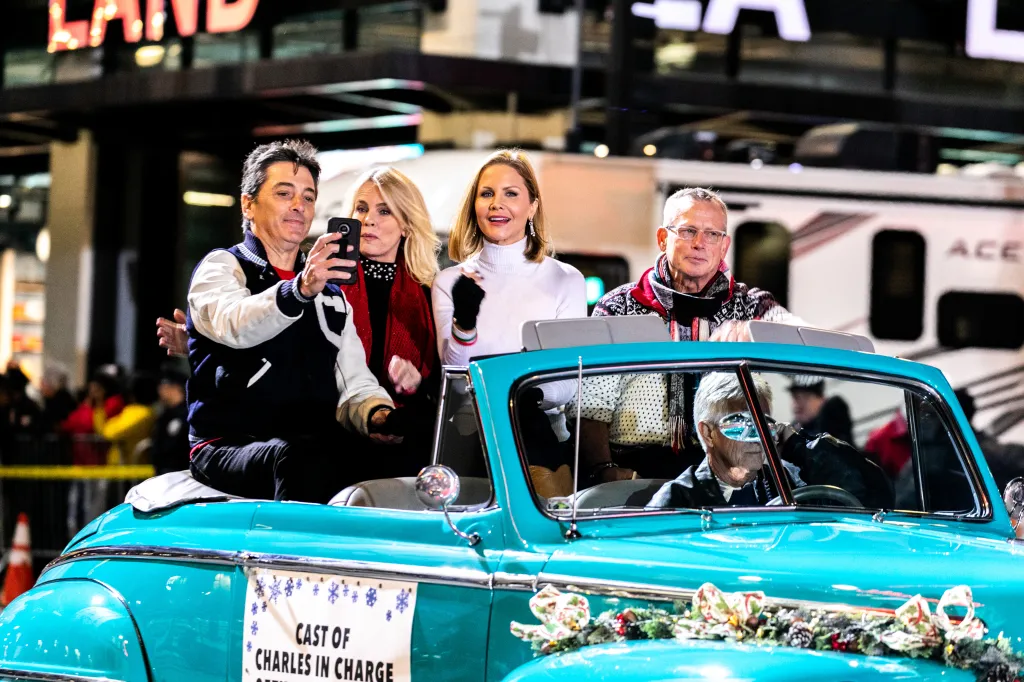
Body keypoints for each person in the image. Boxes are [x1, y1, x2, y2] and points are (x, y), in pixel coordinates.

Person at [185, 139, 406, 503]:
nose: (298, 206)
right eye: (284, 193)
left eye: (308, 197)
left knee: (399, 458)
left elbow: (355, 382)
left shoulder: (331, 294)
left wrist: (382, 417)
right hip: (227, 446)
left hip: (307, 444)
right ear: (248, 203)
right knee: (298, 457)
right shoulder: (222, 267)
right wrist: (298, 290)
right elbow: (235, 324)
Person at [580, 187, 801, 484]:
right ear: (662, 239)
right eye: (688, 231)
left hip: (727, 472)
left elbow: (801, 337)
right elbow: (590, 405)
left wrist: (756, 330)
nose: (700, 244)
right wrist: (605, 471)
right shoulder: (620, 305)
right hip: (633, 472)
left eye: (712, 235)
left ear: (724, 246)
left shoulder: (748, 304)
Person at [431, 149, 586, 494]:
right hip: (471, 439)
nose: (496, 204)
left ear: (532, 206)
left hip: (540, 439)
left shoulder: (566, 279)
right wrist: (465, 323)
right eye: (487, 194)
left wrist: (518, 394)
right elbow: (455, 377)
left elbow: (569, 382)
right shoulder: (450, 282)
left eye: (510, 194)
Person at [93, 372, 159, 465]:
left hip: (129, 468)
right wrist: (99, 406)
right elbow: (104, 431)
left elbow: (110, 433)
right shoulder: (138, 411)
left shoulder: (140, 412)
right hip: (124, 466)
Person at [787, 374, 854, 446]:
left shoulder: (834, 423)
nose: (798, 404)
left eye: (805, 397)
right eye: (795, 397)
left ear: (822, 399)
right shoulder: (792, 431)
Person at [151, 369, 190, 476]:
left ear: (175, 387)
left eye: (164, 386)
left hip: (183, 474)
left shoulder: (188, 414)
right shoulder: (165, 414)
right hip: (165, 473)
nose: (160, 391)